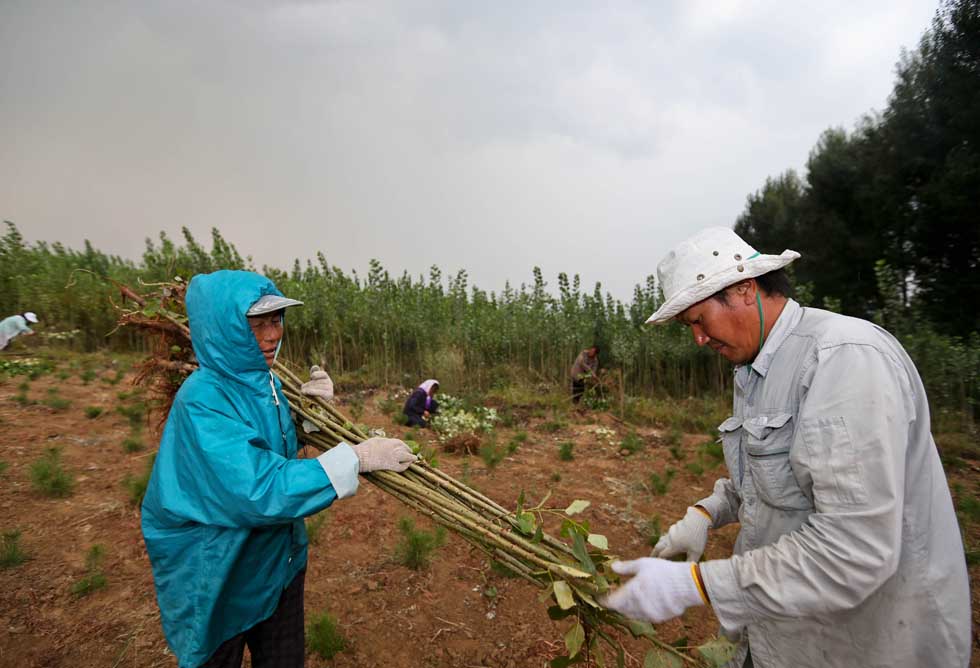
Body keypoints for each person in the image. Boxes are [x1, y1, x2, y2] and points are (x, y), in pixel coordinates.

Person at [601, 227, 970, 668]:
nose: (698, 339)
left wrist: (697, 586)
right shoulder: (753, 367)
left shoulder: (842, 358)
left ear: (743, 289)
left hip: (867, 643)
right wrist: (706, 513)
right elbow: (770, 474)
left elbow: (853, 548)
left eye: (698, 321)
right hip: (789, 632)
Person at [141, 270, 416, 668]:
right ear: (224, 329)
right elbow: (259, 487)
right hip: (220, 574)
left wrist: (308, 421)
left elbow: (271, 449)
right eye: (256, 324)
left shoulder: (262, 381)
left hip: (276, 563)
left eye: (276, 320)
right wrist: (356, 458)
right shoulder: (202, 400)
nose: (271, 335)